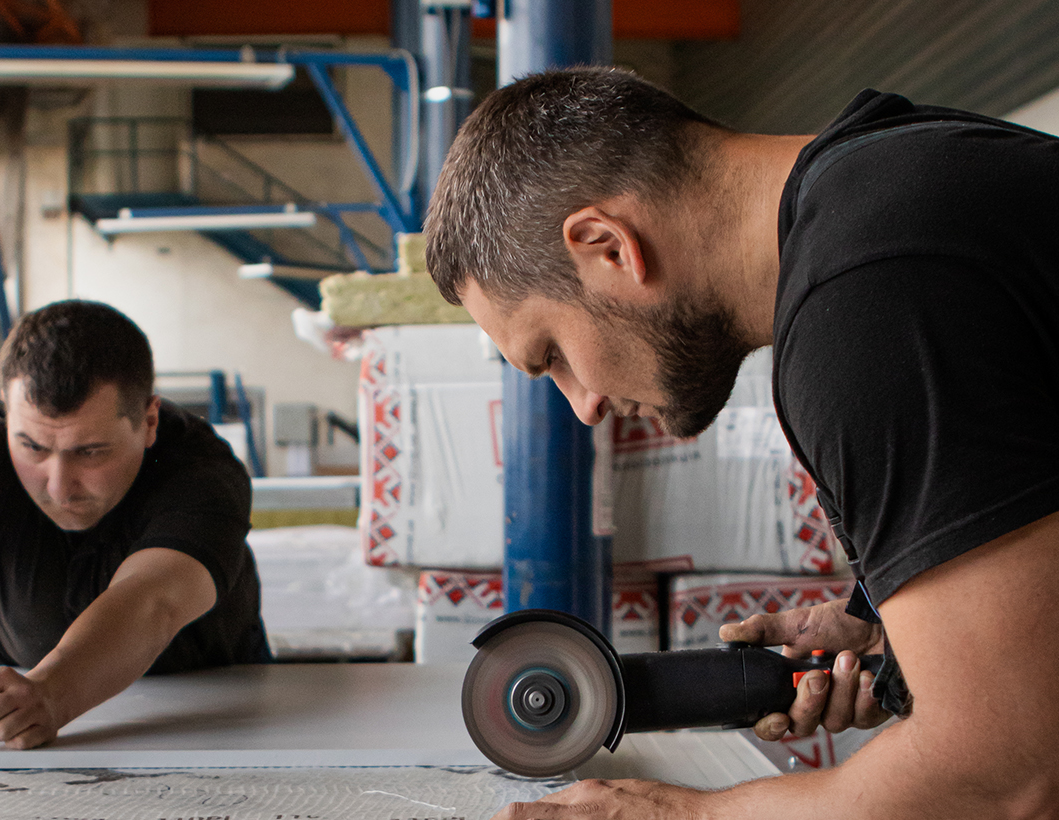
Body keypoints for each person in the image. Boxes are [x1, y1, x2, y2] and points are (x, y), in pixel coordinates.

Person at [425, 67, 1059, 818]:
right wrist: (887, 623)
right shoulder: (898, 173)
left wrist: (688, 814)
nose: (586, 407)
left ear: (607, 247)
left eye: (552, 354)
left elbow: (1001, 776)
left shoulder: (867, 302)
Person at [0, 300, 270, 750]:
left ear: (148, 421)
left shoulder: (203, 473)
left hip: (217, 722)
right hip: (26, 723)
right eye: (32, 447)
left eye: (90, 452)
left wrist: (52, 693)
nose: (58, 486)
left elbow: (154, 602)